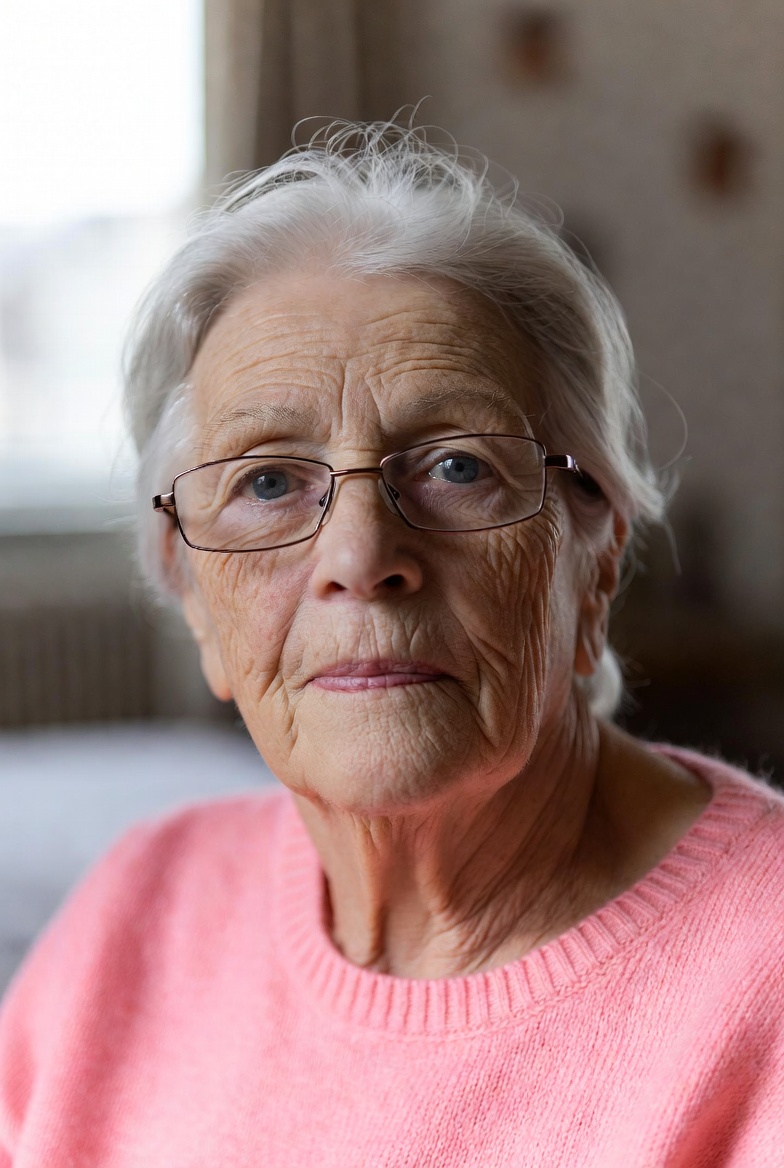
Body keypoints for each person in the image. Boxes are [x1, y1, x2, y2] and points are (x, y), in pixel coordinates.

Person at [1, 120, 783, 1167]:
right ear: (194, 598)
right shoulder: (136, 911)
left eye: (457, 467)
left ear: (595, 558)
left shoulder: (760, 975)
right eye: (268, 481)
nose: (362, 557)